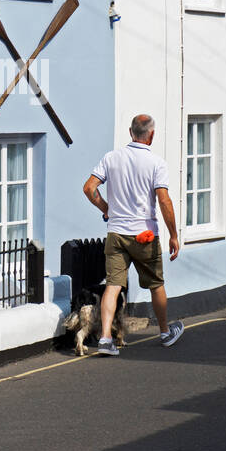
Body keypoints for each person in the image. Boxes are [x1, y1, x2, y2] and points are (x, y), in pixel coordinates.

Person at [81, 114, 182, 356]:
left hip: (116, 232)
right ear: (152, 134)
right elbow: (164, 200)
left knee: (113, 286)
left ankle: (105, 339)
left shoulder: (111, 158)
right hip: (144, 234)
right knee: (156, 284)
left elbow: (89, 188)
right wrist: (173, 234)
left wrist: (106, 209)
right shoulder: (156, 163)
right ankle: (166, 332)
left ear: (130, 132)